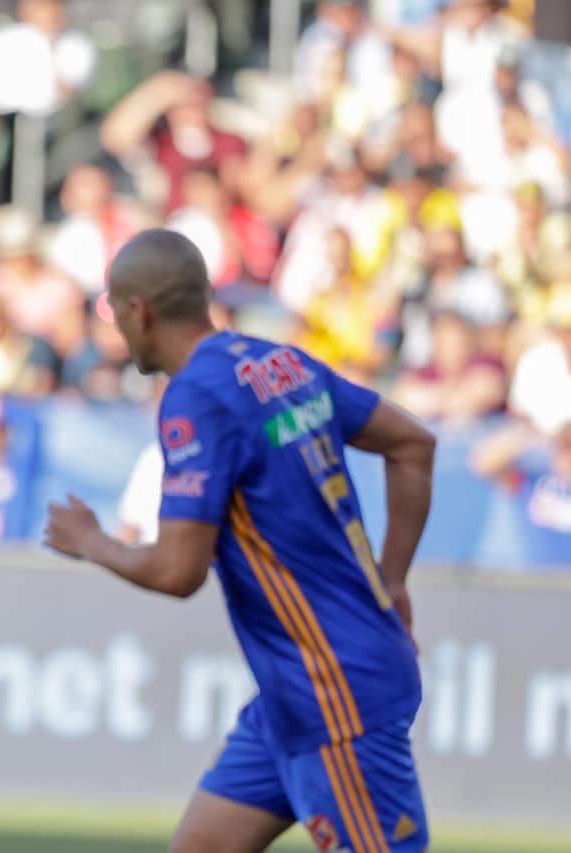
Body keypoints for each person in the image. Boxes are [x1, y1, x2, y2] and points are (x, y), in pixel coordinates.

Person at [44, 229, 435, 853]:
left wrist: (91, 540)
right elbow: (415, 443)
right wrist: (392, 578)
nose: (115, 326)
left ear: (139, 311)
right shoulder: (282, 362)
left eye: (116, 312)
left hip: (335, 690)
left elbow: (178, 571)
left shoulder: (194, 400)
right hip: (294, 691)